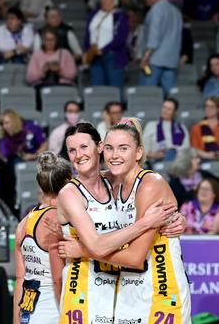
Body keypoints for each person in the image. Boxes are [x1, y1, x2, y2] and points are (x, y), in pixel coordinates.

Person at [58, 119, 191, 324]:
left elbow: (135, 257)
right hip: (125, 293)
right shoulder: (113, 184)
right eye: (110, 148)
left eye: (123, 148)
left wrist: (82, 250)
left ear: (138, 153)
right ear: (103, 150)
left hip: (161, 291)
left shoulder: (148, 184)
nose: (115, 155)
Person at [13, 152, 67, 324]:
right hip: (53, 308)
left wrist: (17, 319)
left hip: (29, 311)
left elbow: (20, 279)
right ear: (67, 183)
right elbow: (58, 279)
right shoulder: (55, 219)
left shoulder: (24, 223)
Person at [139, 0, 183, 96]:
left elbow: (154, 35)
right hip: (171, 60)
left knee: (147, 94)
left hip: (154, 59)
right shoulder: (176, 11)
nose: (146, 3)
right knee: (171, 96)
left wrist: (146, 57)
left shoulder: (156, 10)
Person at [84, 0, 130, 90]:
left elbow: (121, 37)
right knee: (97, 87)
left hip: (112, 55)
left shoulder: (120, 16)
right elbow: (88, 34)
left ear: (114, 1)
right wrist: (86, 51)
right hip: (94, 56)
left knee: (114, 87)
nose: (104, 1)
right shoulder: (93, 15)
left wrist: (104, 50)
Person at [143, 97, 189, 162]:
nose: (165, 111)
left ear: (174, 112)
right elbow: (144, 151)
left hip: (177, 162)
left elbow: (186, 149)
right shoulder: (151, 125)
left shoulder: (181, 128)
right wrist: (155, 155)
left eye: (169, 109)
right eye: (164, 107)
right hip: (156, 162)